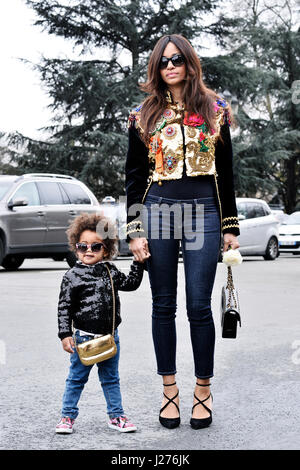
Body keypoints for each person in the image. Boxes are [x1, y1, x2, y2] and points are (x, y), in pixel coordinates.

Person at [125, 34, 240, 430]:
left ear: (190, 63)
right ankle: (169, 390)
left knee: (197, 305)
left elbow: (226, 174)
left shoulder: (215, 110)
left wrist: (230, 227)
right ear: (156, 68)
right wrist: (135, 229)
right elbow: (134, 177)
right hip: (158, 210)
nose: (170, 65)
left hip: (204, 212)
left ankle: (203, 390)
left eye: (177, 59)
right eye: (162, 61)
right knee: (162, 305)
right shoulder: (143, 115)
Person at [55, 213, 144, 434]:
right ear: (75, 247)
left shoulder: (110, 271)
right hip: (83, 339)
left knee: (111, 379)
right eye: (82, 246)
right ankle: (67, 417)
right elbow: (64, 307)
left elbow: (131, 284)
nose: (88, 251)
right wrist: (65, 334)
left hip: (110, 338)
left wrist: (138, 263)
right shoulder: (71, 276)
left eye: (95, 247)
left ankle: (116, 417)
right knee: (76, 379)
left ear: (106, 250)